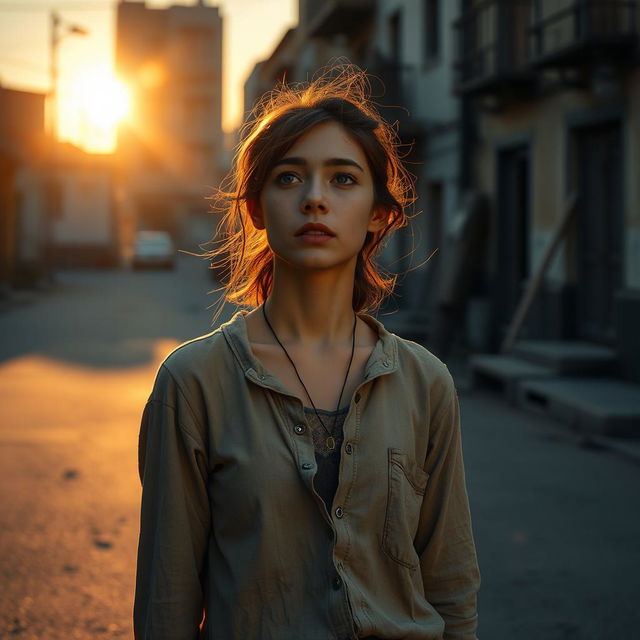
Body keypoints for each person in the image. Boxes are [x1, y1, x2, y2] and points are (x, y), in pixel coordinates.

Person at [134, 65, 480, 640]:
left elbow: (450, 579)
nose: (315, 199)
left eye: (343, 179)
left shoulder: (426, 382)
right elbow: (167, 594)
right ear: (256, 208)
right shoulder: (193, 381)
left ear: (377, 213)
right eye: (289, 178)